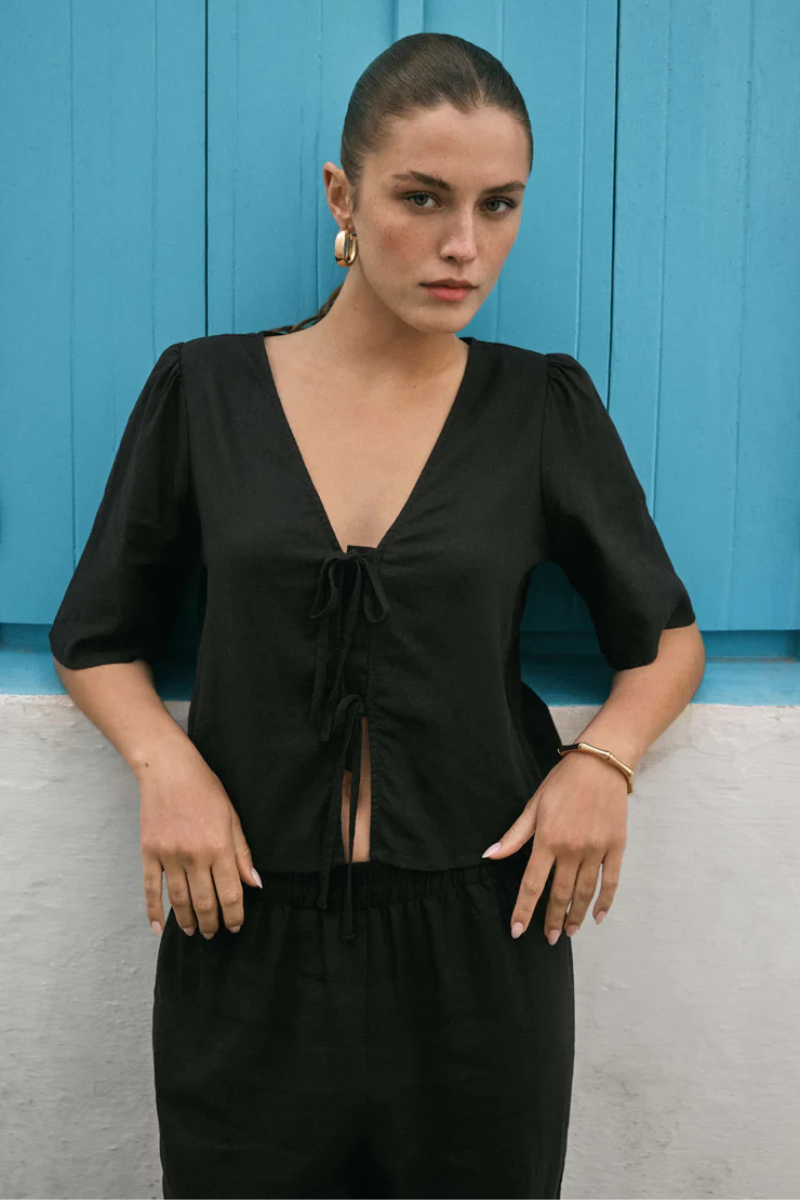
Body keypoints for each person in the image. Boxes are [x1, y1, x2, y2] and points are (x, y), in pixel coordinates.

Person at [48, 31, 705, 1200]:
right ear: (341, 197)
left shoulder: (537, 407)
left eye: (497, 205)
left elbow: (662, 640)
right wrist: (166, 765)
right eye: (422, 197)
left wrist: (601, 763)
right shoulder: (206, 392)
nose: (463, 246)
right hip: (244, 939)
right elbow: (97, 637)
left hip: (480, 948)